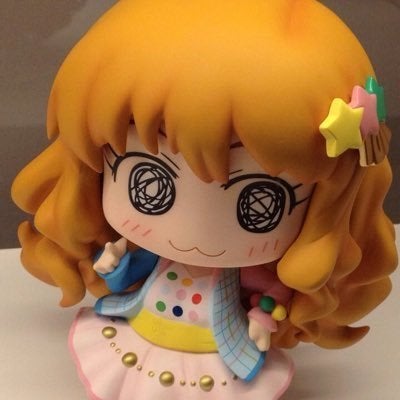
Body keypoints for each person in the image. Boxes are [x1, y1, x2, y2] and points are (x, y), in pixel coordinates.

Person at [12, 1, 397, 399]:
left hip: (218, 352)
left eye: (260, 203)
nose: (193, 233)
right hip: (138, 335)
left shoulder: (255, 273)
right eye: (149, 183)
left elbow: (270, 295)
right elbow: (124, 279)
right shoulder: (144, 254)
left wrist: (264, 317)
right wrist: (114, 265)